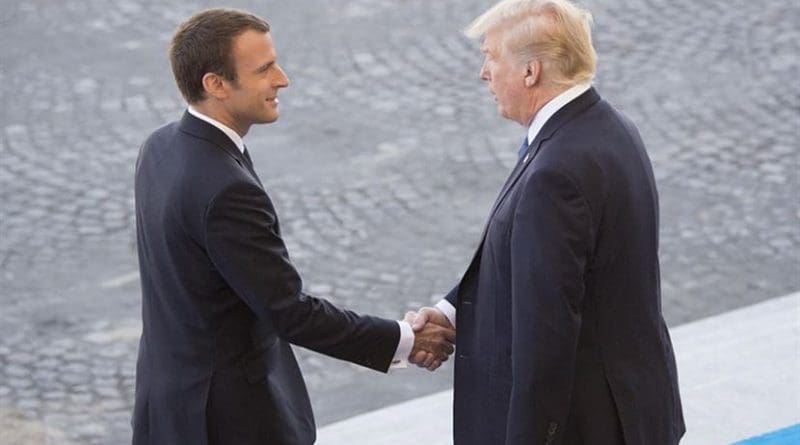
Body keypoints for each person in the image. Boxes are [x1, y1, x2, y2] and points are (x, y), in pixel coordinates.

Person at [132, 8, 454, 445]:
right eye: (264, 69)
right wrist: (403, 339)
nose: (282, 79)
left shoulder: (161, 147)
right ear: (216, 84)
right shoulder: (225, 189)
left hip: (167, 405)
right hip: (225, 421)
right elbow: (288, 311)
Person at [408, 0, 685, 443]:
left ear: (530, 71)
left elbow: (546, 336)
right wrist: (450, 313)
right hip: (629, 409)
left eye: (491, 56)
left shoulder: (556, 171)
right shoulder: (606, 127)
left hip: (586, 425)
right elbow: (538, 267)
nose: (484, 73)